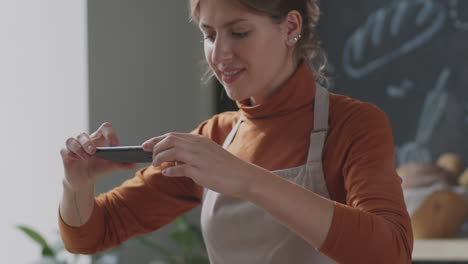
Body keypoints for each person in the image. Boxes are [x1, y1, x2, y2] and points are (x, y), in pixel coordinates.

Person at [58, 0, 413, 263]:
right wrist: (77, 184)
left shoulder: (353, 124)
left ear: (291, 27)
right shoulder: (214, 138)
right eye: (209, 35)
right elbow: (92, 234)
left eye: (239, 32)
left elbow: (391, 251)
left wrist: (245, 178)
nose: (221, 53)